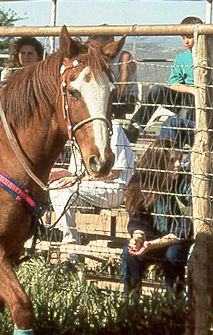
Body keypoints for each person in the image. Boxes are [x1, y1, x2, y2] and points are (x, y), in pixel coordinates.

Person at [121, 117, 194, 297]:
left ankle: (174, 305)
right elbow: (138, 220)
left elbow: (184, 230)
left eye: (179, 159)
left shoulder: (186, 183)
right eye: (171, 161)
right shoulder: (140, 183)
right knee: (129, 253)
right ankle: (131, 303)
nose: (178, 164)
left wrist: (151, 245)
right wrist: (137, 238)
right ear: (158, 164)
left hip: (176, 241)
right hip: (150, 240)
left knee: (173, 255)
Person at [48, 121, 134, 247]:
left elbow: (114, 173)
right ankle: (71, 241)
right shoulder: (79, 131)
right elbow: (75, 174)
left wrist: (78, 179)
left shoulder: (113, 129)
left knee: (66, 191)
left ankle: (71, 245)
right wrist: (63, 173)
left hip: (114, 189)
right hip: (87, 189)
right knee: (56, 188)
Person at [125, 16, 202, 141]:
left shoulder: (208, 57)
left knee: (186, 112)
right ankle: (135, 128)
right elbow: (174, 84)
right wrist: (192, 89)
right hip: (186, 95)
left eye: (189, 37)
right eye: (183, 38)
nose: (186, 41)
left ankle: (178, 146)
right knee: (157, 90)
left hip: (204, 99)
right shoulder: (181, 59)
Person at [88, 30, 137, 119]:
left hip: (126, 99)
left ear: (111, 41)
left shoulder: (124, 57)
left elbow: (122, 90)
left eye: (101, 45)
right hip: (106, 95)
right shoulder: (99, 58)